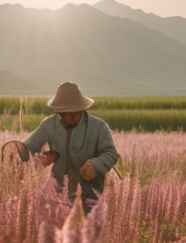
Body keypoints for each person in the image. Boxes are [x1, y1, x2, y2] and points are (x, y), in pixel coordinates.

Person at [23, 82, 120, 211]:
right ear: (60, 112)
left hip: (90, 196)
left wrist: (94, 165)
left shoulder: (98, 127)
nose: (71, 116)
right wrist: (23, 155)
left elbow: (111, 153)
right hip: (57, 195)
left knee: (87, 229)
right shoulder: (48, 125)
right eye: (66, 112)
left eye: (75, 111)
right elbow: (28, 147)